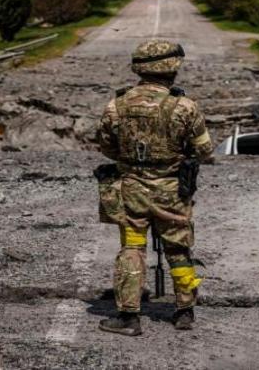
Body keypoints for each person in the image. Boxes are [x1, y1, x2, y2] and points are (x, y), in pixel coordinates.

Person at [95, 39, 213, 336]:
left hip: (132, 191)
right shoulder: (184, 106)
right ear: (172, 68)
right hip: (171, 192)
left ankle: (128, 317)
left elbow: (106, 147)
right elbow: (205, 151)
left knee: (132, 248)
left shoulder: (117, 105)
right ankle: (184, 311)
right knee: (178, 249)